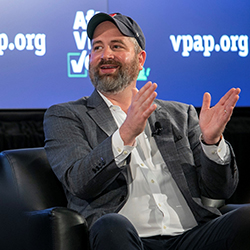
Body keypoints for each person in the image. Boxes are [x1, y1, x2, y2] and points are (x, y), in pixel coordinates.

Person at [44, 12, 250, 250]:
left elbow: (220, 190)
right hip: (125, 237)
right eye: (97, 47)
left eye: (116, 46)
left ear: (140, 59)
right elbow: (79, 182)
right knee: (111, 226)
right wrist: (125, 134)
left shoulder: (181, 115)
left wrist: (212, 143)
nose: (105, 55)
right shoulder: (66, 116)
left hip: (191, 236)